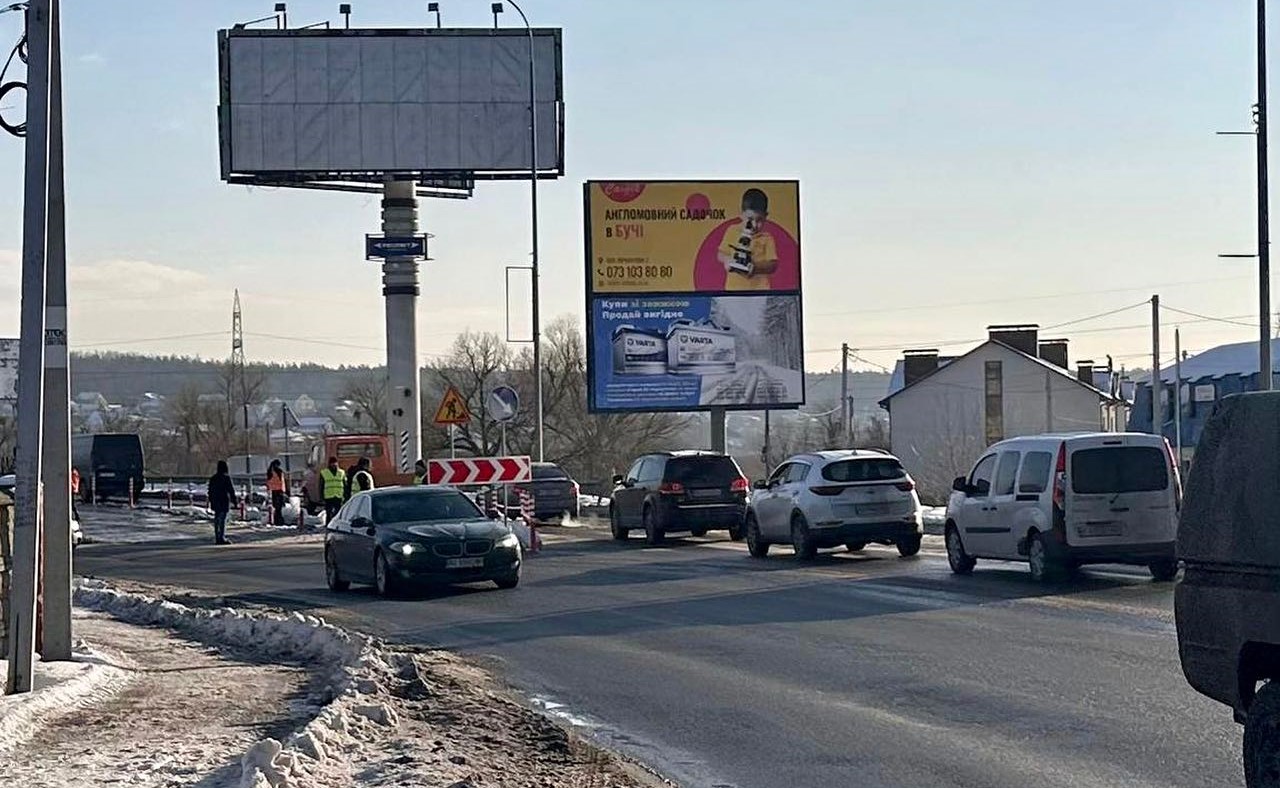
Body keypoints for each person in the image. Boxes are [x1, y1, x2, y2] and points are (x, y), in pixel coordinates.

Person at [717, 187, 779, 291]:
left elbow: (773, 265)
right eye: (750, 220)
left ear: (766, 216)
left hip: (758, 291)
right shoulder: (732, 231)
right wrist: (727, 260)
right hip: (734, 290)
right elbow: (721, 253)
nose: (754, 225)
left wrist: (756, 268)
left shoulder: (767, 238)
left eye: (759, 220)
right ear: (741, 214)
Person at [207, 460, 238, 545]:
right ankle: (221, 537)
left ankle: (218, 536)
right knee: (223, 520)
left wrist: (211, 500)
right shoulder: (226, 478)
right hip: (223, 500)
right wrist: (235, 501)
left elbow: (210, 491)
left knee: (217, 519)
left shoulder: (213, 478)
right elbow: (231, 490)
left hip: (215, 500)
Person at [319, 456, 345, 522]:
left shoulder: (341, 472)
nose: (334, 464)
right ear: (329, 464)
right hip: (328, 496)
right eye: (332, 463)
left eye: (335, 463)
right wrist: (321, 496)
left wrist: (345, 495)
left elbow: (345, 484)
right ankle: (328, 524)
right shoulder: (324, 472)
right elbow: (321, 485)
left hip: (338, 495)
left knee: (338, 512)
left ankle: (337, 523)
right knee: (328, 513)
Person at [266, 459, 287, 526]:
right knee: (279, 507)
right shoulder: (278, 471)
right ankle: (279, 521)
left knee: (276, 507)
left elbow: (268, 482)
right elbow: (282, 482)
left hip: (273, 491)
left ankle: (276, 520)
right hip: (279, 491)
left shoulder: (270, 471)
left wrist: (268, 489)